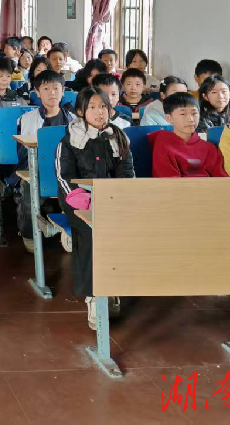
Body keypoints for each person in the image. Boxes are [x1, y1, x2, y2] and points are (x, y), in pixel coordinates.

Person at [56, 87, 135, 329]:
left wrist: (118, 198)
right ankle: (94, 295)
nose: (99, 112)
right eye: (92, 107)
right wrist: (88, 203)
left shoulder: (118, 136)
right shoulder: (70, 140)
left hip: (113, 200)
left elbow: (127, 172)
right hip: (79, 202)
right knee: (92, 233)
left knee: (126, 231)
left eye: (103, 107)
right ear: (81, 111)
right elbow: (64, 178)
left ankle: (113, 286)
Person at [16, 69, 76, 252]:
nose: (52, 93)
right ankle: (29, 234)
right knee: (29, 196)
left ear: (63, 91)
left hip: (67, 171)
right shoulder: (27, 119)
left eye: (56, 88)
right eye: (46, 89)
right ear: (37, 92)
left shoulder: (74, 120)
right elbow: (23, 153)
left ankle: (73, 232)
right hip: (38, 170)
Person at [149, 92, 228, 177]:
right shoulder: (163, 143)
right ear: (169, 118)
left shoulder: (209, 148)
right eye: (183, 114)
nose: (190, 119)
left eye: (194, 113)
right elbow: (167, 180)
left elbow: (221, 178)